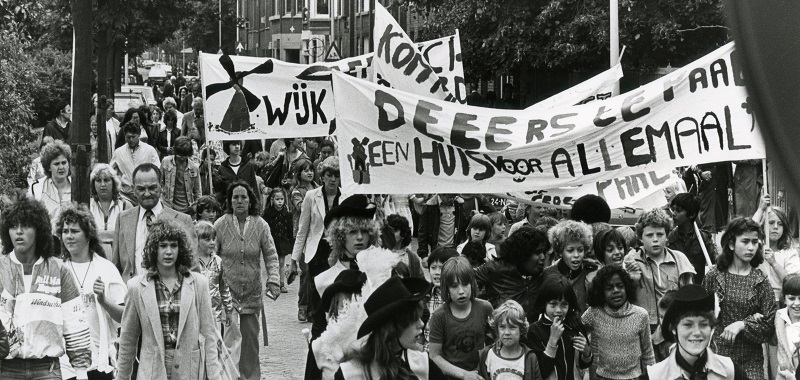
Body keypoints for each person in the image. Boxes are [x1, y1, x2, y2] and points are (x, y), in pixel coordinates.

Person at [116, 218, 223, 380]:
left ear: (181, 249)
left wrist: (215, 376)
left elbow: (209, 335)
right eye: (163, 246)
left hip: (189, 370)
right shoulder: (136, 287)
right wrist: (122, 377)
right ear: (153, 249)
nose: (168, 252)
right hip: (152, 371)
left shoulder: (198, 284)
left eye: (173, 245)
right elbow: (128, 340)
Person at [0, 197, 91, 379]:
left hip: (46, 369)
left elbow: (75, 323)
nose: (19, 232)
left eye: (26, 226)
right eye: (13, 226)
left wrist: (81, 373)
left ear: (39, 230)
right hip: (6, 369)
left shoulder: (59, 269)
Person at [214, 180, 280, 380]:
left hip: (251, 294)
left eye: (244, 197)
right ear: (230, 201)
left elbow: (270, 254)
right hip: (227, 295)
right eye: (235, 197)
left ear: (251, 200)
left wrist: (274, 280)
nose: (240, 201)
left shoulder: (261, 225)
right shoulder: (220, 225)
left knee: (250, 342)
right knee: (231, 342)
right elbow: (211, 256)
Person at [56, 205, 127, 380]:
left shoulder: (106, 268)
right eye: (65, 231)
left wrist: (104, 301)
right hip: (64, 365)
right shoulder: (56, 269)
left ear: (88, 234)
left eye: (75, 231)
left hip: (100, 364)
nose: (69, 236)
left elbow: (126, 317)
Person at [702, 217, 776, 380]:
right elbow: (700, 314)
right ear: (731, 244)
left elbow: (770, 325)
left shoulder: (761, 281)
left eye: (755, 242)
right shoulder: (714, 276)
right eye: (745, 241)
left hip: (751, 360)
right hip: (718, 356)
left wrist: (743, 324)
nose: (751, 247)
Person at [624, 207, 695, 361]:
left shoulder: (680, 260)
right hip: (642, 334)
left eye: (660, 234)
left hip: (673, 332)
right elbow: (622, 301)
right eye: (649, 235)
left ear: (667, 236)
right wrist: (631, 279)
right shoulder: (631, 261)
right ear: (641, 238)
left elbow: (689, 298)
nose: (655, 239)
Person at [334, 276, 433, 379]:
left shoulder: (422, 363)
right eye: (413, 319)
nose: (421, 324)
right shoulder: (350, 373)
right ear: (392, 328)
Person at [111, 163, 193, 283]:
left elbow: (192, 268)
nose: (147, 193)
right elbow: (116, 266)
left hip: (170, 296)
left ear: (162, 186)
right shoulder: (123, 219)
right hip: (131, 294)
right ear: (133, 189)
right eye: (141, 189)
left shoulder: (182, 220)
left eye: (152, 188)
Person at [647, 284, 749, 379]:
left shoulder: (732, 372)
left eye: (703, 324)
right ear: (674, 329)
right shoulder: (654, 376)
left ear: (711, 328)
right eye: (688, 325)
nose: (696, 332)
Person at [289, 156, 343, 322]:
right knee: (317, 296)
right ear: (323, 176)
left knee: (336, 292)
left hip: (338, 253)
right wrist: (294, 259)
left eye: (337, 175)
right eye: (329, 175)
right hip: (317, 253)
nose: (333, 179)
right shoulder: (311, 196)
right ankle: (317, 331)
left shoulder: (346, 197)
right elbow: (302, 230)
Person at [582, 265, 655, 379]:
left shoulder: (641, 315)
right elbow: (578, 327)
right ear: (601, 292)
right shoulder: (594, 313)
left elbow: (648, 353)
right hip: (603, 377)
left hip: (633, 377)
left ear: (627, 288)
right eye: (609, 288)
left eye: (620, 286)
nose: (616, 291)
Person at [429, 256, 494, 380]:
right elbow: (434, 356)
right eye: (454, 286)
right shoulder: (439, 315)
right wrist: (464, 375)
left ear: (473, 283)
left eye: (465, 284)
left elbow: (495, 341)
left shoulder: (485, 308)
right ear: (446, 288)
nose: (461, 291)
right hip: (451, 375)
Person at [473, 226, 552, 320]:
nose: (543, 257)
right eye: (538, 252)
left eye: (544, 252)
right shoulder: (494, 268)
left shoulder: (543, 276)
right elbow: (464, 281)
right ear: (523, 253)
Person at [313, 194, 380, 299]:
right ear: (340, 236)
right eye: (352, 232)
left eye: (365, 231)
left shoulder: (380, 275)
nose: (359, 237)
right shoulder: (322, 281)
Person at [527, 276, 592, 380]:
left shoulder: (574, 325)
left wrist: (586, 352)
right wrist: (552, 340)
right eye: (553, 304)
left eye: (564, 304)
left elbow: (584, 364)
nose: (559, 310)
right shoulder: (535, 330)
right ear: (544, 303)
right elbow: (540, 371)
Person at [542, 220, 600, 313]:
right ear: (560, 251)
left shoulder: (591, 271)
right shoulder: (547, 274)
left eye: (580, 250)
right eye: (570, 250)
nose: (576, 255)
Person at [478, 300, 543, 380]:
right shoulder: (487, 355)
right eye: (502, 327)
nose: (507, 332)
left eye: (512, 327)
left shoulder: (530, 358)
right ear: (497, 329)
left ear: (521, 329)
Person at [753, 196, 800, 302]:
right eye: (771, 223)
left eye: (780, 224)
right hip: (757, 300)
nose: (775, 227)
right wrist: (761, 209)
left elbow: (793, 283)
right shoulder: (756, 247)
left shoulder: (789, 252)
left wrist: (774, 263)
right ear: (762, 225)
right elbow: (748, 229)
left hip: (780, 301)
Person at [668, 192, 718, 284]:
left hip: (699, 289)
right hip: (677, 290)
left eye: (678, 210)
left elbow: (716, 263)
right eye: (673, 209)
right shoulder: (669, 239)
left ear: (691, 214)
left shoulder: (704, 238)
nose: (673, 214)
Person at [194, 221, 233, 332]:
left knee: (216, 346)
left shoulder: (218, 261)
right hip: (197, 316)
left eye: (213, 239)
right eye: (207, 240)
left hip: (215, 315)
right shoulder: (191, 263)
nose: (212, 242)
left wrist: (229, 309)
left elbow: (224, 287)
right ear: (196, 241)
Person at [89, 163, 132, 256]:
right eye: (98, 180)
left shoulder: (125, 206)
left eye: (106, 180)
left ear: (113, 182)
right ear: (93, 183)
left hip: (119, 257)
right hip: (93, 257)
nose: (102, 184)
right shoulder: (88, 206)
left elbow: (129, 238)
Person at [111, 122, 161, 202]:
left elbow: (157, 170)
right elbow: (111, 172)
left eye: (133, 137)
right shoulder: (118, 152)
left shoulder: (150, 150)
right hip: (126, 195)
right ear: (125, 136)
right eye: (128, 137)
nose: (131, 140)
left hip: (146, 193)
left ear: (139, 135)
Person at [424, 247, 460, 350]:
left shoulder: (460, 298)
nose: (437, 272)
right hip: (428, 353)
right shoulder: (425, 297)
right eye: (433, 267)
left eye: (441, 268)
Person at [29, 139, 72, 221]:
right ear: (48, 167)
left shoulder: (77, 187)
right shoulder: (36, 188)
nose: (61, 167)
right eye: (56, 164)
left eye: (64, 163)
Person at [160, 136, 202, 215]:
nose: (182, 158)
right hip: (168, 207)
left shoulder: (194, 167)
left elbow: (198, 191)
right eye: (179, 155)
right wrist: (160, 200)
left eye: (184, 156)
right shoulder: (166, 161)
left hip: (187, 209)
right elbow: (158, 182)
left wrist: (196, 206)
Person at [262, 187, 294, 292]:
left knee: (281, 262)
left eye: (282, 199)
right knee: (271, 263)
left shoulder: (288, 213)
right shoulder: (267, 213)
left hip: (282, 241)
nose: (280, 202)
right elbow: (264, 229)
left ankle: (281, 283)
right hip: (271, 241)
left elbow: (290, 229)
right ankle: (271, 282)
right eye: (277, 199)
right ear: (272, 200)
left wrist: (291, 243)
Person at [418, 194, 465, 260]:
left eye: (453, 197)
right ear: (441, 194)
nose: (452, 199)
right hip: (437, 249)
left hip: (454, 249)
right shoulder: (430, 206)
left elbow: (463, 225)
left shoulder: (458, 205)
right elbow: (423, 231)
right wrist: (424, 255)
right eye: (449, 197)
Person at [215, 140, 260, 207]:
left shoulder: (248, 165)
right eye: (233, 144)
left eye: (238, 144)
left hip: (247, 205)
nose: (237, 147)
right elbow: (220, 192)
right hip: (230, 206)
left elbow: (254, 187)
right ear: (228, 147)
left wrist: (256, 204)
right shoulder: (222, 168)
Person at [381, 213, 425, 279]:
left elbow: (421, 281)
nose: (391, 234)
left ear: (403, 234)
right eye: (389, 231)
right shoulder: (380, 254)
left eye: (395, 231)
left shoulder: (412, 257)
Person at [776, 273, 800, 379]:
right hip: (783, 374)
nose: (797, 303)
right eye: (792, 298)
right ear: (784, 299)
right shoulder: (780, 317)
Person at [289, 158, 318, 235]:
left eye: (311, 170)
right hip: (302, 229)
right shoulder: (296, 191)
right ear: (299, 174)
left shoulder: (318, 187)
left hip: (316, 227)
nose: (310, 173)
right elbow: (300, 207)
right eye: (306, 171)